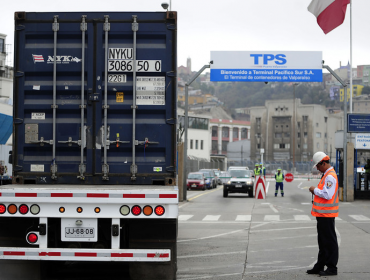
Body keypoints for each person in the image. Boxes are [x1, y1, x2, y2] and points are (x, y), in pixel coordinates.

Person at [307, 152, 339, 276]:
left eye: (318, 166)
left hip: (327, 215)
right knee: (322, 241)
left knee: (329, 241)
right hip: (322, 214)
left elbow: (327, 194)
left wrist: (314, 190)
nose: (318, 169)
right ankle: (320, 265)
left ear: (324, 163)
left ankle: (331, 267)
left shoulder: (330, 176)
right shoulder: (326, 174)